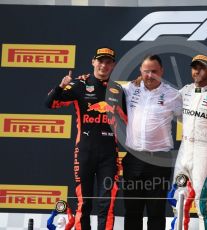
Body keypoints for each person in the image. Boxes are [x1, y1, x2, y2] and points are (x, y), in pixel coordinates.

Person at [45, 47, 127, 230]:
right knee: (84, 203)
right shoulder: (79, 84)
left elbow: (129, 121)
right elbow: (50, 103)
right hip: (84, 153)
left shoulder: (117, 89)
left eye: (108, 62)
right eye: (100, 61)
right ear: (93, 62)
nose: (104, 65)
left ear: (113, 65)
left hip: (109, 155)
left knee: (107, 204)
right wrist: (60, 86)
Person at [121, 54, 182, 230]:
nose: (149, 75)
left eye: (154, 71)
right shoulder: (129, 89)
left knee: (156, 213)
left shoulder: (173, 95)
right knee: (132, 212)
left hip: (159, 160)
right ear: (140, 70)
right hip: (133, 158)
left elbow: (190, 119)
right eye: (146, 71)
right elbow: (103, 90)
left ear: (161, 71)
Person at [168, 54, 207, 230]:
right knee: (178, 202)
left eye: (202, 67)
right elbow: (165, 107)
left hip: (204, 150)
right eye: (195, 67)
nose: (197, 71)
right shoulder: (184, 91)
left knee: (202, 205)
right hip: (185, 148)